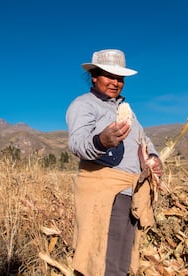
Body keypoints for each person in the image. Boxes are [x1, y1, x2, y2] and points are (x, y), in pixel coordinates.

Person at [66, 49, 163, 276]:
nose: (115, 83)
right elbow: (77, 143)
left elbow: (144, 140)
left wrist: (154, 158)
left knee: (123, 256)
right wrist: (102, 140)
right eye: (109, 76)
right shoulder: (85, 105)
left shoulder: (125, 109)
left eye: (119, 78)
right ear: (94, 76)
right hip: (107, 191)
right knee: (104, 257)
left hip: (130, 191)